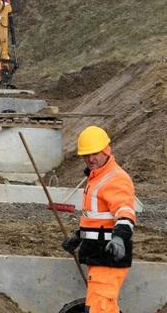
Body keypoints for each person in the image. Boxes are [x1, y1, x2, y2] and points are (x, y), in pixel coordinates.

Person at [62, 126, 136, 313]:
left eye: (94, 153)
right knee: (101, 307)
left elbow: (125, 211)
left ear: (106, 150)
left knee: (100, 309)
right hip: (97, 256)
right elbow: (96, 219)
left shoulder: (115, 178)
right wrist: (79, 236)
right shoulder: (95, 178)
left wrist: (120, 237)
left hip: (109, 258)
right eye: (86, 155)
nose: (90, 159)